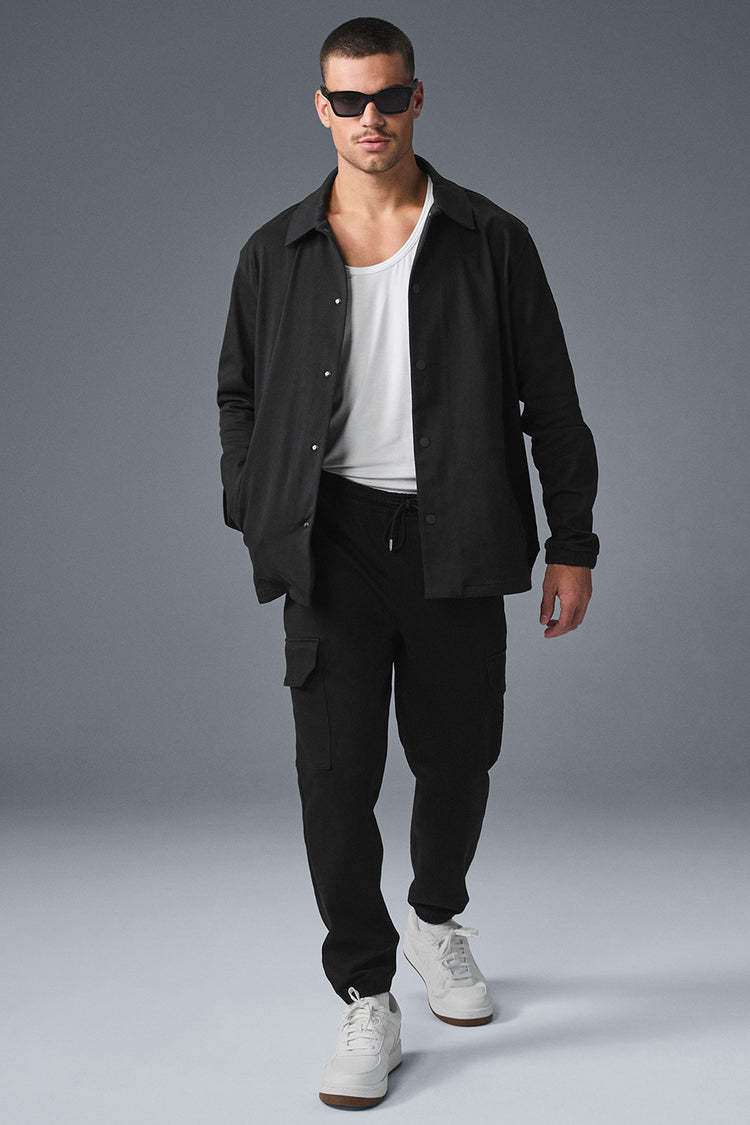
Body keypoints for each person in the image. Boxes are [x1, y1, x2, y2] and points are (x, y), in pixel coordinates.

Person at [216, 16, 600, 1109]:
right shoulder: (276, 250)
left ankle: (436, 918)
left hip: (458, 533)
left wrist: (572, 542)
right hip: (330, 540)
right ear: (322, 109)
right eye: (348, 101)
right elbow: (237, 391)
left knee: (459, 755)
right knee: (335, 777)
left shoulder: (491, 239)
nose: (370, 118)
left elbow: (552, 401)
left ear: (418, 99)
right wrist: (253, 503)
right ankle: (366, 991)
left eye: (388, 97)